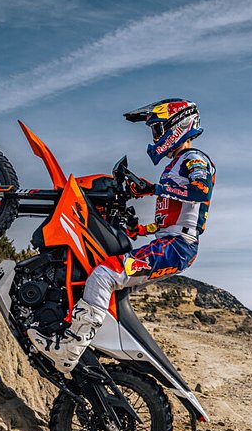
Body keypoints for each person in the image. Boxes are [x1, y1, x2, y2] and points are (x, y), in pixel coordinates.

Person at [27, 98, 215, 377]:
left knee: (105, 274)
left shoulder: (193, 159)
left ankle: (70, 349)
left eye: (158, 128)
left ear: (177, 126)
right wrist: (139, 230)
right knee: (103, 270)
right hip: (168, 241)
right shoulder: (175, 165)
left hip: (177, 246)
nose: (155, 136)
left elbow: (200, 189)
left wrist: (153, 188)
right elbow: (171, 219)